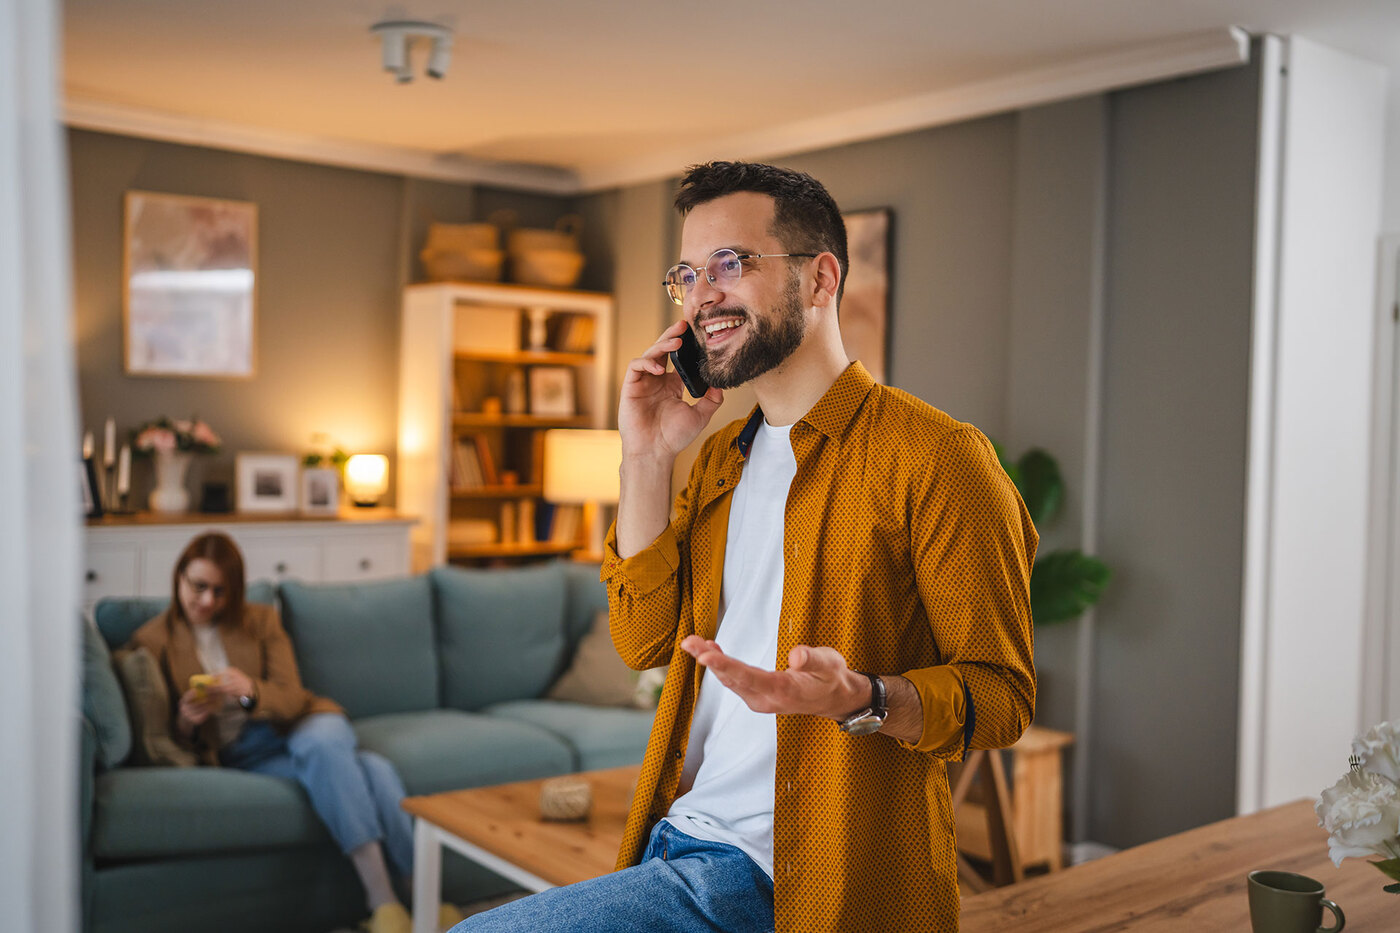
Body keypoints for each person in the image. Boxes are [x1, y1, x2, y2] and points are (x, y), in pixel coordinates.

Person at [456, 161, 1037, 933]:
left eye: (730, 264)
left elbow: (1002, 697)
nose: (701, 297)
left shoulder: (937, 458)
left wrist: (861, 697)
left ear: (821, 278)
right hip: (676, 838)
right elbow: (642, 640)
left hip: (789, 880)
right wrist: (647, 456)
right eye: (687, 274)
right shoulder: (724, 457)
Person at [127, 531, 461, 933]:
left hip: (301, 723)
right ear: (178, 577)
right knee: (374, 771)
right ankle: (411, 897)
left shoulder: (261, 621)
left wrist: (250, 693)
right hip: (244, 754)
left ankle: (388, 904)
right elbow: (168, 739)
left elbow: (291, 697)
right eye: (198, 587)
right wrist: (187, 720)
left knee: (323, 745)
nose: (208, 601)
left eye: (220, 591)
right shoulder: (153, 641)